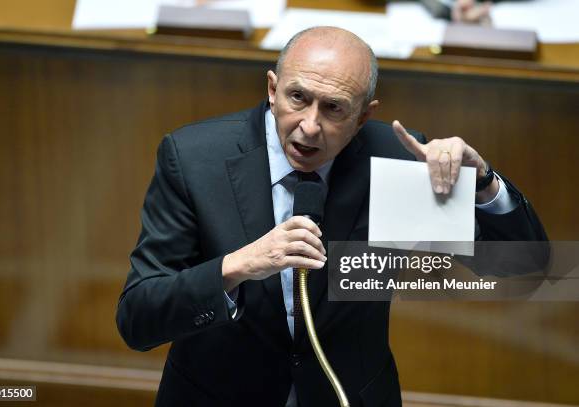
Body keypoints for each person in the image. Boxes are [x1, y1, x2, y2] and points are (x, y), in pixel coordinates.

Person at [116, 26, 546, 406]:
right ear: (272, 88)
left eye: (334, 108)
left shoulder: (392, 160)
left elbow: (522, 270)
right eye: (297, 97)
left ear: (364, 116)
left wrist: (485, 182)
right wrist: (238, 266)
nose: (308, 126)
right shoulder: (194, 159)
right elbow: (138, 319)